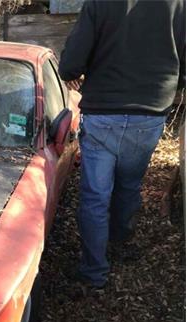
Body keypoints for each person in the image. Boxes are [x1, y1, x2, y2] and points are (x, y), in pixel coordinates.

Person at [58, 0, 185, 288]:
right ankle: (119, 240)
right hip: (151, 113)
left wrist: (71, 75)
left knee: (95, 195)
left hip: (104, 111)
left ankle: (94, 272)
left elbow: (70, 64)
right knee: (129, 184)